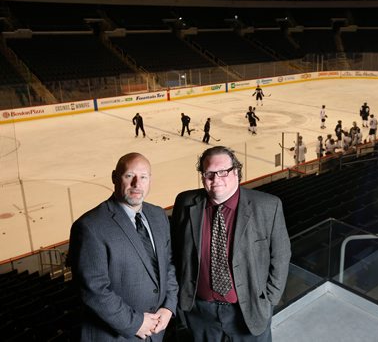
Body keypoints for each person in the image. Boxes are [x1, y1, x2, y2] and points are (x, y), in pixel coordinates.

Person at [171, 146, 291, 342]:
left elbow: (281, 255)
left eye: (223, 172)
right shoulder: (185, 202)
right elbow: (176, 252)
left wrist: (269, 299)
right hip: (200, 314)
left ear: (236, 172)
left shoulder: (268, 206)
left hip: (248, 312)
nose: (216, 179)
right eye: (209, 173)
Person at [69, 153, 178, 341]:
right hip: (115, 336)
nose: (137, 184)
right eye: (129, 176)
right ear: (114, 177)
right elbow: (93, 289)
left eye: (143, 177)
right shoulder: (90, 226)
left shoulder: (158, 216)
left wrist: (169, 307)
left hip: (156, 331)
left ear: (150, 180)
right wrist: (134, 323)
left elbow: (168, 266)